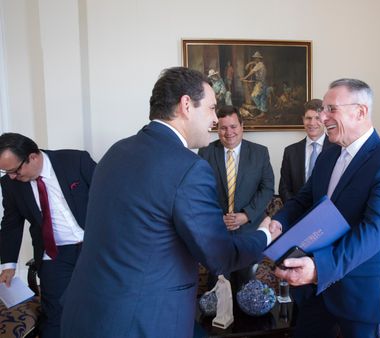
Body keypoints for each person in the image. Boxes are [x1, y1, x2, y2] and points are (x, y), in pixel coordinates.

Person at [60, 67, 278, 338]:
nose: (214, 120)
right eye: (211, 108)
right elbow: (219, 256)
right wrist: (264, 235)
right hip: (143, 319)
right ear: (186, 104)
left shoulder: (116, 151)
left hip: (87, 312)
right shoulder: (188, 167)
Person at [272, 78, 380, 337]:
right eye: (323, 109)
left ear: (360, 112)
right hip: (316, 292)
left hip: (360, 290)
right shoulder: (328, 154)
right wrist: (278, 221)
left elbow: (375, 231)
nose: (323, 117)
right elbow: (304, 199)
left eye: (330, 109)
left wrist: (319, 269)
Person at [0, 133, 96, 338]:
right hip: (54, 254)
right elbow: (11, 223)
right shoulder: (10, 185)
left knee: (104, 305)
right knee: (55, 315)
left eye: (15, 170)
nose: (11, 176)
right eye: (6, 171)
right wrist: (8, 265)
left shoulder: (75, 161)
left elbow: (110, 197)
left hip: (93, 247)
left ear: (33, 157)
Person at [198, 105, 274, 288]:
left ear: (242, 126)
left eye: (233, 126)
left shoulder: (260, 152)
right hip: (218, 232)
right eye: (223, 128)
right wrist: (218, 218)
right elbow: (201, 191)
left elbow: (267, 188)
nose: (229, 132)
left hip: (249, 232)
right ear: (217, 129)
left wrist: (246, 215)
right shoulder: (205, 152)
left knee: (247, 291)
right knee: (216, 290)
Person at [279, 99, 333, 203]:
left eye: (317, 118)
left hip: (328, 212)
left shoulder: (337, 149)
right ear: (303, 119)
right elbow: (284, 188)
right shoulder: (290, 151)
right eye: (308, 118)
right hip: (296, 214)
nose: (312, 123)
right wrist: (295, 210)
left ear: (325, 119)